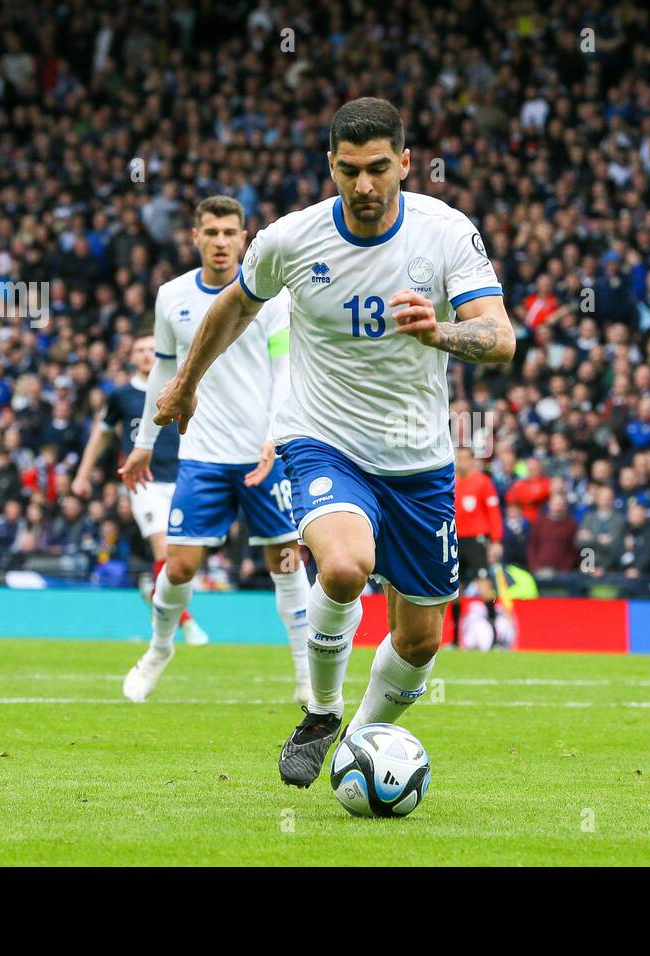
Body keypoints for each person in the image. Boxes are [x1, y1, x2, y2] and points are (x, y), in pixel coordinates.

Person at [151, 99, 515, 788]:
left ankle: (366, 737)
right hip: (323, 439)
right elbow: (235, 302)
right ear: (331, 167)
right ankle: (320, 711)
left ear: (406, 163)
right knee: (345, 567)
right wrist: (186, 382)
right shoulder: (293, 238)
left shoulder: (445, 234)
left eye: (380, 168)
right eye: (349, 171)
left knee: (420, 638)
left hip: (418, 460)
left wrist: (441, 332)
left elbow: (500, 337)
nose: (365, 186)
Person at [121, 195, 311, 705]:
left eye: (231, 232)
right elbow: (163, 373)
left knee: (287, 563)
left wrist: (276, 435)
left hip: (261, 454)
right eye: (213, 232)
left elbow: (282, 370)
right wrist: (143, 443)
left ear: (245, 237)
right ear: (196, 237)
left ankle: (303, 673)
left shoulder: (272, 297)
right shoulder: (172, 296)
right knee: (179, 567)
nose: (222, 242)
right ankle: (159, 650)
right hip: (201, 454)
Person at [72, 329, 207, 645]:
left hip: (183, 478)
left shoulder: (179, 386)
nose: (146, 354)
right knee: (163, 549)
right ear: (132, 357)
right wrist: (82, 474)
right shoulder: (121, 395)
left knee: (183, 558)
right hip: (143, 482)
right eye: (140, 349)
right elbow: (101, 435)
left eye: (151, 348)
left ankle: (157, 596)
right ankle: (185, 623)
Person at [450, 445, 502, 647]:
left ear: (472, 460)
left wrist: (496, 540)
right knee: (455, 590)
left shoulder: (483, 482)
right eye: (458, 458)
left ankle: (495, 638)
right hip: (455, 540)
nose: (461, 462)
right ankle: (455, 640)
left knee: (484, 586)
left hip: (477, 540)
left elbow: (494, 512)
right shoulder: (450, 481)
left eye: (465, 458)